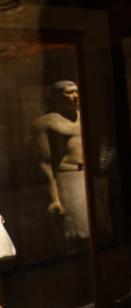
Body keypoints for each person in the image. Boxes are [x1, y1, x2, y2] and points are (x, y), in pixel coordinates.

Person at [32, 80, 89, 240]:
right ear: (56, 96)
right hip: (68, 177)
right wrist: (54, 198)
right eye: (69, 92)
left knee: (97, 229)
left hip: (88, 175)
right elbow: (45, 163)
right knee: (77, 231)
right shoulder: (45, 123)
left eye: (76, 91)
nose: (74, 96)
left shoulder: (85, 117)